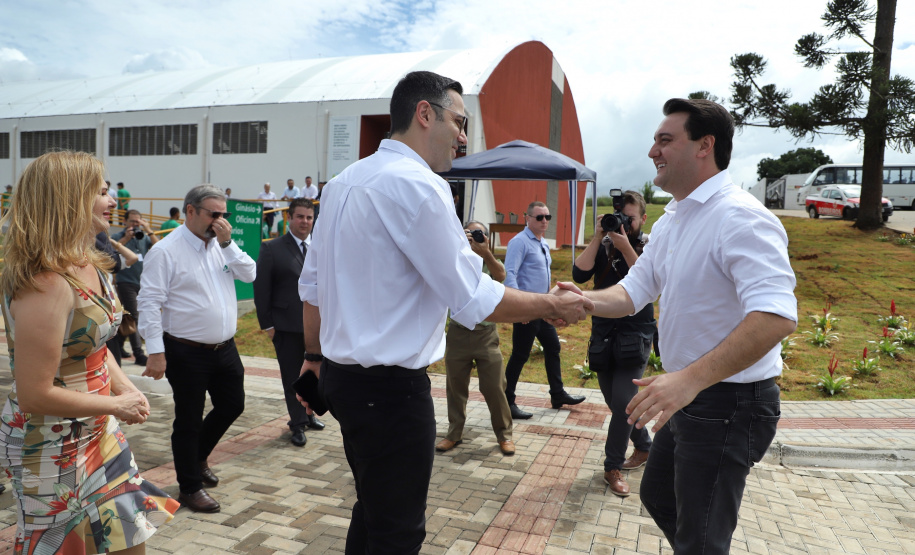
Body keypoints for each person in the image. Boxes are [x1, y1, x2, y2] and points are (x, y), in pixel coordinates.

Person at [297, 70, 591, 554]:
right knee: (397, 531)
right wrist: (551, 305)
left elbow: (311, 290)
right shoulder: (419, 185)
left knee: (372, 511)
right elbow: (473, 298)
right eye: (458, 121)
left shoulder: (345, 182)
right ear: (424, 113)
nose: (462, 137)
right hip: (390, 393)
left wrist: (312, 358)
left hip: (344, 381)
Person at [567, 98, 797, 553]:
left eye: (665, 140)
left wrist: (687, 381)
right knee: (657, 496)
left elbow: (775, 317)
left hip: (728, 403)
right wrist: (583, 300)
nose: (652, 150)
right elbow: (633, 291)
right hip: (691, 394)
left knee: (701, 537)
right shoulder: (675, 218)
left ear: (704, 146)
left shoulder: (741, 217)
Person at [0, 151, 178, 554]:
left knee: (131, 536)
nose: (112, 200)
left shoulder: (90, 262)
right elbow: (34, 393)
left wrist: (124, 389)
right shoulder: (44, 283)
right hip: (50, 443)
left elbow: (96, 346)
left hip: (99, 430)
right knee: (65, 547)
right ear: (68, 199)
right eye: (100, 191)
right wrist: (116, 406)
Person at [137, 184, 256, 513]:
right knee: (188, 419)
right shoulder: (167, 251)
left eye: (224, 215)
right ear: (190, 211)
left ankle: (197, 457)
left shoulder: (222, 245)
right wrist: (156, 352)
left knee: (233, 404)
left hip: (225, 348)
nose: (220, 221)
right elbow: (149, 303)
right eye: (213, 214)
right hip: (185, 351)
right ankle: (189, 487)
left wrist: (228, 244)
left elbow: (250, 272)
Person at [571, 190, 655, 498]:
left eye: (629, 219)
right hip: (604, 333)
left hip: (635, 333)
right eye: (619, 217)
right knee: (615, 400)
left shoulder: (649, 247)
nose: (623, 224)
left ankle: (612, 467)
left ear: (642, 219)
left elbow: (651, 281)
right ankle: (644, 446)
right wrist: (598, 238)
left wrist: (626, 248)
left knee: (622, 401)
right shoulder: (605, 243)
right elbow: (578, 274)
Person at [436, 222, 515, 456]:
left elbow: (501, 276)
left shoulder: (487, 260)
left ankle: (504, 435)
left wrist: (485, 252)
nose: (474, 238)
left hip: (486, 335)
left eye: (479, 234)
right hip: (458, 334)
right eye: (469, 233)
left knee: (495, 387)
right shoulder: (455, 257)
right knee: (455, 388)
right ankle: (453, 433)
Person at [502, 201, 586, 420]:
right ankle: (506, 401)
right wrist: (518, 307)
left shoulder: (543, 243)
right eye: (539, 217)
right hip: (527, 309)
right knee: (520, 355)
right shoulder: (519, 242)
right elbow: (509, 274)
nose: (544, 221)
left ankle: (557, 395)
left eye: (547, 217)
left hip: (543, 307)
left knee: (553, 347)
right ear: (527, 218)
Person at [253, 198, 324, 448]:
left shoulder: (320, 247)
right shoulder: (272, 248)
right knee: (292, 376)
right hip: (287, 326)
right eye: (300, 217)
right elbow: (261, 290)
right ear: (289, 218)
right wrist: (269, 326)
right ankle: (297, 424)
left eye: (309, 217)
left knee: (313, 373)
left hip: (316, 327)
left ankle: (308, 413)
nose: (305, 222)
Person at [112, 210, 160, 366]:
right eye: (132, 221)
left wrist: (147, 229)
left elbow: (159, 246)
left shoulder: (143, 237)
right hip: (125, 282)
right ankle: (139, 354)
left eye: (137, 222)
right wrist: (126, 238)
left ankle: (118, 347)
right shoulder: (117, 237)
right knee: (135, 316)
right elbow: (111, 253)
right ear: (125, 222)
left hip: (142, 282)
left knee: (127, 317)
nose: (135, 225)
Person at [96, 229, 139, 368]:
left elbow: (132, 257)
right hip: (99, 320)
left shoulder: (109, 264)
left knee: (114, 364)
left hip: (111, 320)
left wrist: (113, 243)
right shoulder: (90, 264)